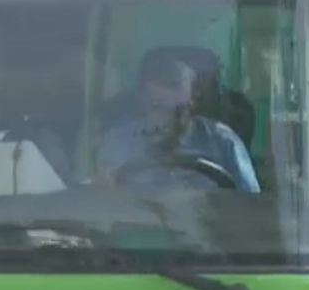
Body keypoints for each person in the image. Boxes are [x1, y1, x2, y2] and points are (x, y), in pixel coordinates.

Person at [95, 49, 260, 193]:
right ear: (142, 98)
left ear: (194, 97)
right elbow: (103, 201)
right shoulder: (118, 141)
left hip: (206, 218)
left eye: (176, 111)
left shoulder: (224, 141)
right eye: (157, 108)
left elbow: (250, 203)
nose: (165, 122)